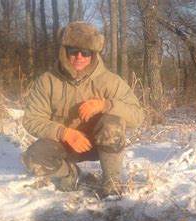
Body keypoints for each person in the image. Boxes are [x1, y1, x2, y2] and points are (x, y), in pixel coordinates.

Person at [22, 22, 144, 198]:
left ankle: (111, 180)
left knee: (113, 122)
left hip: (98, 146)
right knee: (33, 157)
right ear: (64, 50)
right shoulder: (46, 81)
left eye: (86, 52)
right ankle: (70, 173)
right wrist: (64, 133)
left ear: (94, 54)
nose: (79, 56)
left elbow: (137, 116)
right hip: (64, 147)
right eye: (73, 50)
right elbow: (31, 119)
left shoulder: (110, 81)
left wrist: (105, 105)